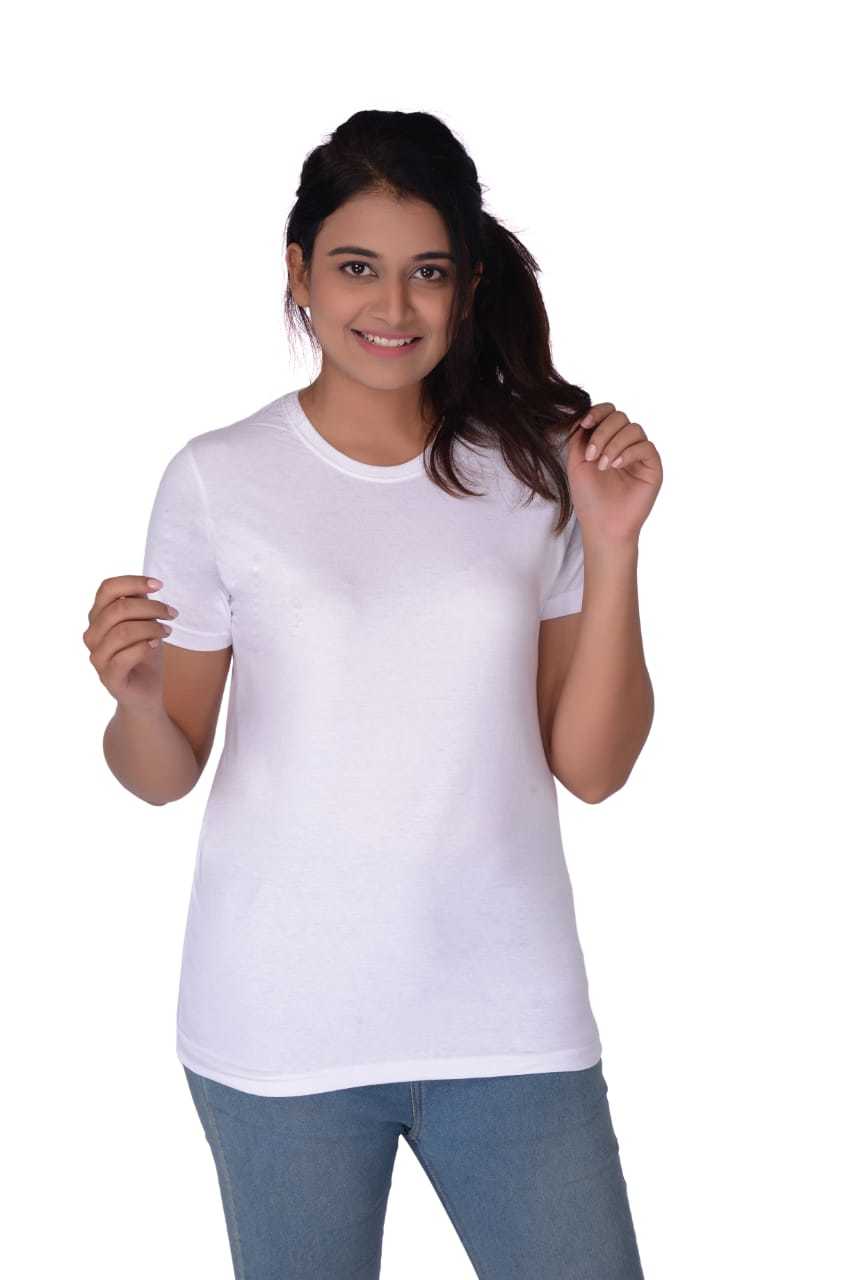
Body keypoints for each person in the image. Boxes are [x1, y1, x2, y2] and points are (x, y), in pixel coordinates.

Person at [85, 109, 662, 1279]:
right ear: (298, 273)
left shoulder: (537, 469)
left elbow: (593, 767)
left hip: (509, 1017)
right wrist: (138, 699)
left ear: (467, 284)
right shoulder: (218, 478)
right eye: (356, 267)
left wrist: (612, 546)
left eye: (426, 272)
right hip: (280, 1027)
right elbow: (162, 771)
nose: (392, 306)